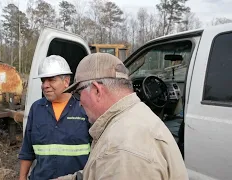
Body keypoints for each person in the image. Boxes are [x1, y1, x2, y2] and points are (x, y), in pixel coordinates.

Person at [57, 53, 188, 180]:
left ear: (97, 90)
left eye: (78, 94)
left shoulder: (121, 148)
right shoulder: (135, 117)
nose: (79, 103)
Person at [18, 55, 91, 180]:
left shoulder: (83, 107)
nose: (45, 85)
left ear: (66, 81)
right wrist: (22, 177)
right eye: (43, 80)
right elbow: (27, 150)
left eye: (51, 80)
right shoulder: (37, 109)